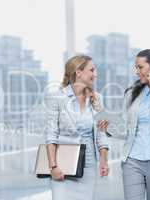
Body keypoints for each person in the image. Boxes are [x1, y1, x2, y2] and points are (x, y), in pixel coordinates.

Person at [100, 49, 150, 200]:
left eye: (140, 67)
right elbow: (127, 129)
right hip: (132, 161)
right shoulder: (131, 93)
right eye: (135, 67)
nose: (136, 71)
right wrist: (108, 129)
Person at [44, 54, 110, 200]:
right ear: (78, 72)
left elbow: (101, 133)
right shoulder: (56, 97)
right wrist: (53, 166)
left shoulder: (97, 98)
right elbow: (51, 134)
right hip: (63, 165)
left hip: (88, 167)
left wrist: (104, 161)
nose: (95, 74)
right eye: (92, 70)